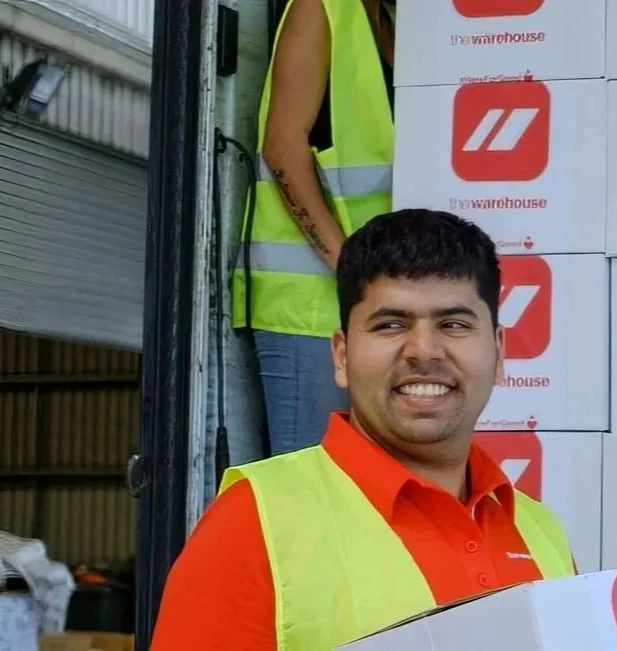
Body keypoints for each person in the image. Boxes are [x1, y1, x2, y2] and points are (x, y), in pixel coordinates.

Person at [153, 209, 577, 650]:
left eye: (453, 324)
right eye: (391, 324)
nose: (424, 350)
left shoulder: (540, 531)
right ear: (341, 355)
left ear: (499, 350)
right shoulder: (254, 522)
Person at [232, 0, 396, 455]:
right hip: (309, 307)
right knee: (315, 485)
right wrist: (349, 265)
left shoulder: (392, 21)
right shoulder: (320, 8)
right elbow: (282, 147)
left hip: (377, 298)